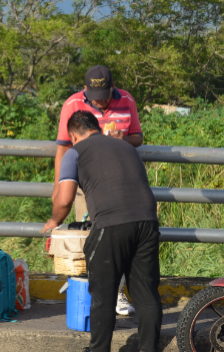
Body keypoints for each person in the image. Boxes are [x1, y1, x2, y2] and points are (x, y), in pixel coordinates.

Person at [44, 111, 161, 352]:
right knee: (146, 293)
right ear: (96, 127)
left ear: (74, 136)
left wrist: (53, 221)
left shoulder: (75, 152)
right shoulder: (127, 148)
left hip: (111, 225)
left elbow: (65, 200)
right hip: (147, 221)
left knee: (103, 295)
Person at [53, 65, 143, 316]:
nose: (100, 100)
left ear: (113, 87)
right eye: (95, 95)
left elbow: (138, 137)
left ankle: (117, 294)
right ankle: (92, 293)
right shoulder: (72, 104)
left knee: (120, 239)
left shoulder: (127, 100)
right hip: (87, 183)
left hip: (121, 182)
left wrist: (121, 139)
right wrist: (58, 185)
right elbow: (62, 147)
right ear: (85, 90)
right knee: (91, 238)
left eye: (104, 94)